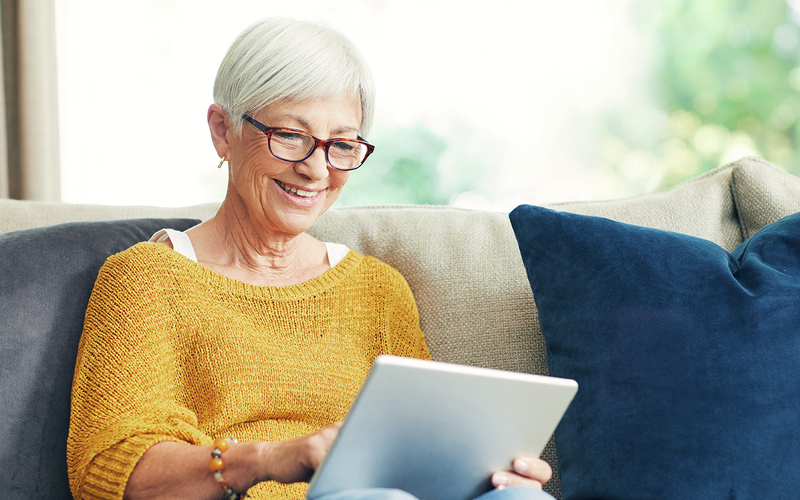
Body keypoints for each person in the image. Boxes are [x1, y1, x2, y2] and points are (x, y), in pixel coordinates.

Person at [67, 18, 556, 500]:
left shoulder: (376, 290)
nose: (316, 169)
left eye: (342, 145)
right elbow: (109, 471)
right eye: (291, 135)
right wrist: (272, 459)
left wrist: (485, 474)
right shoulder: (146, 280)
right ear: (223, 130)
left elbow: (420, 452)